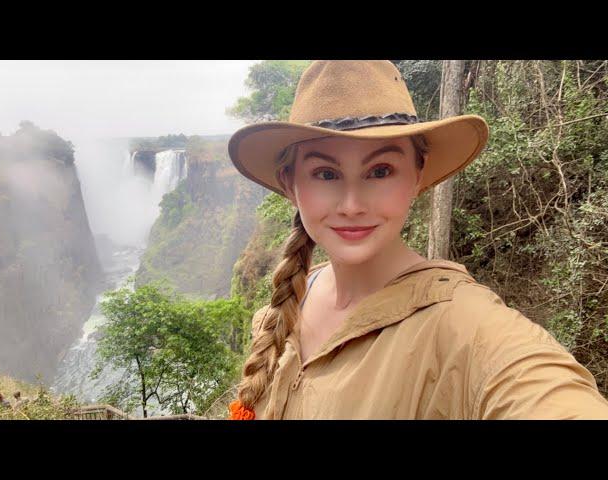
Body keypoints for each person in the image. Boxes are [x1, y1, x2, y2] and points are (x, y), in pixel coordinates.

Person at [226, 60, 608, 420]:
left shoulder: (464, 324)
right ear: (289, 184)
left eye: (380, 170)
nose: (352, 204)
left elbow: (543, 391)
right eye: (325, 174)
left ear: (418, 175)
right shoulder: (279, 314)